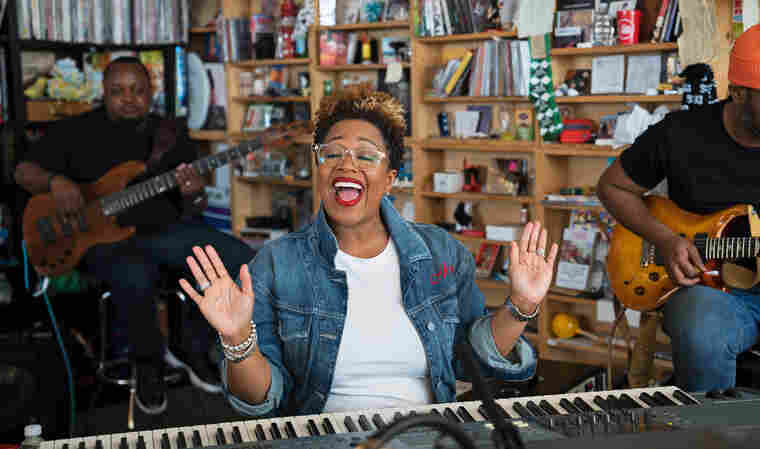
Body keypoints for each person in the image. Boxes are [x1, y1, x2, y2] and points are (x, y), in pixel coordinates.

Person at [179, 84, 559, 417]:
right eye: (333, 153)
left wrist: (522, 305)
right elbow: (261, 398)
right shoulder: (276, 265)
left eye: (365, 155)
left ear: (390, 178)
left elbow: (471, 362)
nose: (347, 163)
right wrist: (237, 341)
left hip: (425, 433)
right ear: (319, 166)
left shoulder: (441, 253)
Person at [14, 57, 255, 414]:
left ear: (151, 92)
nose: (129, 98)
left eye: (138, 90)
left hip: (166, 232)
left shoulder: (170, 135)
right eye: (118, 91)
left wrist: (193, 190)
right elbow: (22, 170)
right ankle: (148, 365)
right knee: (134, 274)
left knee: (236, 256)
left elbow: (197, 205)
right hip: (100, 242)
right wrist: (55, 181)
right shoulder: (75, 131)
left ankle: (192, 345)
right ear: (103, 92)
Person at [597, 13, 760, 392]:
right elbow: (613, 187)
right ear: (738, 92)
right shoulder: (680, 133)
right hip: (711, 293)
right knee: (701, 331)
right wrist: (664, 239)